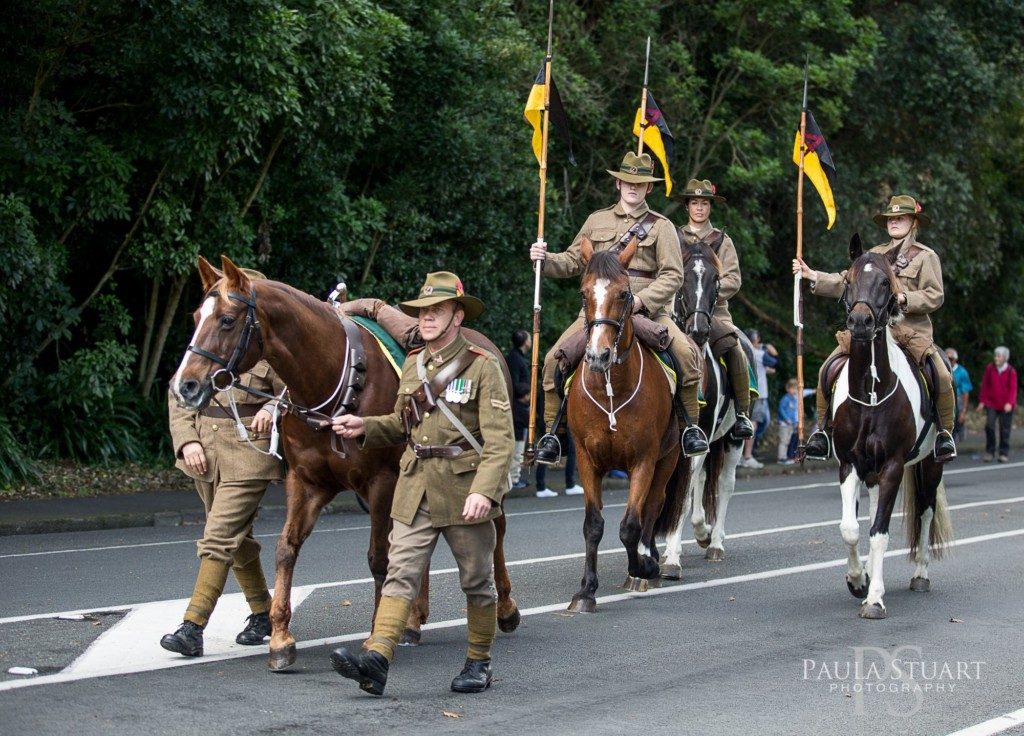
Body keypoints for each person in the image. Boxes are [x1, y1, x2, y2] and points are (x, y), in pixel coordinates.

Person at [329, 271, 514, 696]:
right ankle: (377, 659)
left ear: (457, 316)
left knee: (477, 580)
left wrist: (486, 491)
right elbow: (399, 423)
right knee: (400, 574)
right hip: (415, 487)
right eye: (423, 311)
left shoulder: (481, 367)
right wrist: (364, 426)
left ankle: (478, 662)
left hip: (465, 488)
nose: (427, 318)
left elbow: (500, 439)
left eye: (437, 311)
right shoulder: (413, 364)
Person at [530, 151, 707, 461]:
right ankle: (552, 433)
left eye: (639, 183)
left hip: (648, 310)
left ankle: (689, 427)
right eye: (627, 181)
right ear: (618, 183)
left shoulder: (662, 226)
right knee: (551, 360)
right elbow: (573, 261)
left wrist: (642, 300)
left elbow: (673, 275)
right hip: (599, 312)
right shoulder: (596, 220)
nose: (632, 187)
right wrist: (545, 261)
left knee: (686, 355)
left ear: (648, 188)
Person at [163, 270, 284, 657]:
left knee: (217, 537)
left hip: (250, 453)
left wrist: (271, 406)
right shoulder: (210, 338)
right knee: (238, 539)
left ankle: (192, 626)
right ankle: (264, 613)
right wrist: (187, 442)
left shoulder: (270, 346)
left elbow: (295, 393)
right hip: (206, 455)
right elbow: (178, 389)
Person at [794, 194, 957, 461]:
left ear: (913, 222)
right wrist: (814, 276)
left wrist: (906, 298)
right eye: (890, 219)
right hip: (873, 332)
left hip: (911, 331)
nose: (894, 222)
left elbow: (935, 295)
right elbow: (847, 282)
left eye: (900, 218)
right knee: (828, 368)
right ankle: (822, 431)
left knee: (940, 373)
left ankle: (944, 434)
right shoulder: (874, 255)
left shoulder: (927, 257)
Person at [675, 178, 755, 439]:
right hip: (677, 308)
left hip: (714, 310)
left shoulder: (722, 241)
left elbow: (734, 279)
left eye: (705, 203)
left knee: (736, 347)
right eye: (695, 203)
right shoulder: (673, 236)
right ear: (687, 206)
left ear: (711, 207)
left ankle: (742, 412)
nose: (699, 208)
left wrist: (706, 292)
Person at [740, 329, 777, 468]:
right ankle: (748, 455)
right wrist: (773, 351)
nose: (759, 342)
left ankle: (747, 452)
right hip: (758, 395)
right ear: (754, 341)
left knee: (762, 422)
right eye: (757, 340)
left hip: (750, 393)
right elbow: (776, 362)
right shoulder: (759, 354)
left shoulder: (743, 352)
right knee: (753, 425)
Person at [977, 346, 1017, 463]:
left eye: (998, 356)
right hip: (992, 403)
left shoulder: (1011, 371)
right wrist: (982, 401)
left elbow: (1013, 389)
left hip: (1006, 405)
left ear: (1005, 358)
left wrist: (1010, 403)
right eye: (995, 356)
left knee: (1004, 429)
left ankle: (1003, 453)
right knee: (989, 426)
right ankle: (990, 451)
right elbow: (985, 386)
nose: (996, 358)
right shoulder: (990, 369)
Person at [506, 329, 532, 489]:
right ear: (524, 341)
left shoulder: (516, 358)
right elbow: (513, 382)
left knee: (520, 442)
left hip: (521, 406)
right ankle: (513, 478)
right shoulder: (515, 359)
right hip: (517, 407)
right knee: (517, 443)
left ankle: (515, 476)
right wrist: (526, 391)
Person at [946, 347, 972, 442]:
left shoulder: (962, 372)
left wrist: (964, 411)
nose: (949, 361)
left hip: (958, 400)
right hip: (946, 399)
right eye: (947, 358)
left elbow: (966, 392)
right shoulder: (942, 370)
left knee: (957, 422)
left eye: (951, 359)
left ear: (955, 360)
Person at [777, 378, 800, 465]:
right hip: (784, 424)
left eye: (796, 389)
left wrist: (795, 421)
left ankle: (784, 457)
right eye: (792, 388)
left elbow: (794, 411)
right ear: (788, 388)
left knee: (787, 440)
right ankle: (781, 458)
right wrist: (786, 419)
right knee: (783, 441)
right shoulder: (785, 399)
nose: (794, 391)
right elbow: (781, 409)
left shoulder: (793, 399)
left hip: (791, 424)